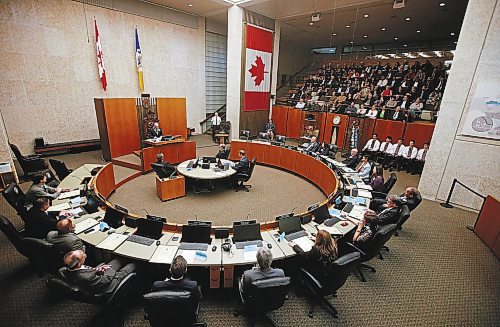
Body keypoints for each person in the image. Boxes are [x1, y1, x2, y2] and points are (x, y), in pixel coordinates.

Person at [62, 250, 136, 295]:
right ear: (78, 264)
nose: (85, 255)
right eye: (83, 256)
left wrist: (98, 269)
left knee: (119, 259)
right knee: (132, 266)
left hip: (98, 276)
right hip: (106, 286)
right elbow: (106, 280)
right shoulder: (86, 277)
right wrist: (108, 269)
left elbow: (88, 271)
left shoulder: (66, 269)